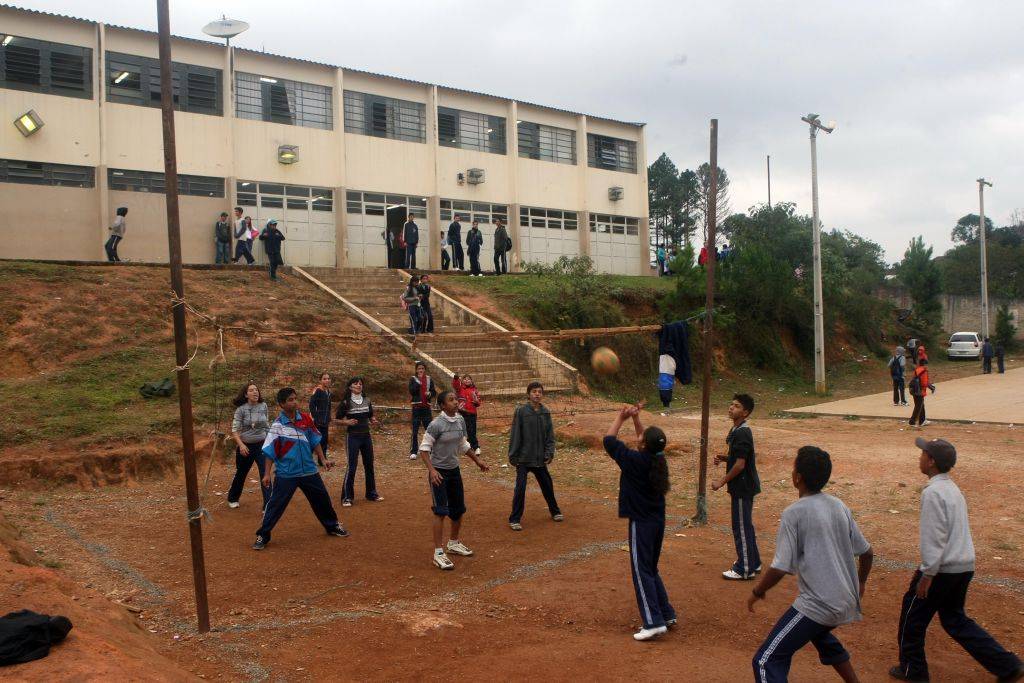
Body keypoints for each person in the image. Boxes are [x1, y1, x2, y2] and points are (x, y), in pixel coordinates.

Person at [890, 438, 1024, 683]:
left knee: (913, 618)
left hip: (941, 569)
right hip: (963, 565)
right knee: (955, 619)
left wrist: (927, 574)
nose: (920, 457)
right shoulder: (953, 489)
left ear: (931, 461)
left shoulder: (932, 492)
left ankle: (913, 671)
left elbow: (935, 537)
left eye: (923, 453)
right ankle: (1007, 665)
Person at [748, 446, 874, 683]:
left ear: (797, 478)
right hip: (846, 600)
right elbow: (867, 553)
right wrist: (862, 583)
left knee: (765, 660)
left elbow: (781, 567)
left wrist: (758, 591)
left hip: (820, 604)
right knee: (819, 633)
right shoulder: (839, 505)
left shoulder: (793, 513)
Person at [603, 404, 674, 641]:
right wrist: (636, 419)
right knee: (650, 568)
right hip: (657, 521)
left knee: (641, 570)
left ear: (643, 445)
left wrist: (621, 417)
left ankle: (653, 622)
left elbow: (609, 440)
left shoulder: (634, 461)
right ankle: (666, 613)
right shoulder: (659, 459)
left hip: (641, 523)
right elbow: (646, 440)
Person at [253, 387, 347, 550]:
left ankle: (332, 525)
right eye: (290, 400)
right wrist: (266, 474)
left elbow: (315, 440)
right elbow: (269, 452)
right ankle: (263, 534)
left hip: (309, 470)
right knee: (275, 505)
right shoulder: (277, 426)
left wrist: (323, 459)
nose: (294, 402)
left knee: (322, 499)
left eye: (295, 399)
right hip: (286, 473)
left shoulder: (306, 419)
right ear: (282, 404)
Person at [418, 389, 489, 570]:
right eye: (451, 400)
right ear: (442, 405)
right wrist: (432, 471)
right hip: (439, 473)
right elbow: (424, 449)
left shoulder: (460, 420)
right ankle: (438, 553)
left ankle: (453, 543)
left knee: (458, 510)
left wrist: (478, 461)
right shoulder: (436, 424)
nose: (456, 402)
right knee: (440, 511)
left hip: (454, 471)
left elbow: (462, 444)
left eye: (456, 399)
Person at [712, 394, 762, 580]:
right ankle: (753, 562)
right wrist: (725, 458)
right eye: (731, 404)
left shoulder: (742, 432)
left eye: (737, 406)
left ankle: (745, 569)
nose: (731, 408)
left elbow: (740, 465)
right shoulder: (737, 429)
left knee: (740, 526)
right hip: (743, 485)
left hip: (743, 487)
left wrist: (721, 481)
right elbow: (740, 458)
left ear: (746, 412)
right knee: (745, 525)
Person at [507, 381, 563, 531]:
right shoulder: (521, 411)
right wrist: (513, 455)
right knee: (520, 488)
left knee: (547, 485)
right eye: (534, 391)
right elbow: (515, 434)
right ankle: (514, 519)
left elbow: (550, 436)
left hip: (539, 459)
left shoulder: (546, 412)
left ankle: (555, 511)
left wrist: (549, 453)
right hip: (524, 458)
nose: (537, 394)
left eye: (539, 392)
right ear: (528, 394)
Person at [335, 376, 382, 507]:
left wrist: (373, 420)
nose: (359, 385)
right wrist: (347, 422)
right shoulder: (346, 402)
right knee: (352, 466)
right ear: (350, 387)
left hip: (366, 436)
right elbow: (336, 420)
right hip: (352, 437)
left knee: (369, 465)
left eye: (360, 384)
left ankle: (371, 493)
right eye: (356, 384)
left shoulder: (367, 400)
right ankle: (347, 497)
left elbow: (370, 415)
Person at [228, 382, 270, 509]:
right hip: (246, 446)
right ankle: (233, 498)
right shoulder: (241, 409)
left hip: (262, 445)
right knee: (241, 473)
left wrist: (270, 441)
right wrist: (241, 445)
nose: (255, 392)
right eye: (251, 390)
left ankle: (268, 505)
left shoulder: (263, 405)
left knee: (265, 473)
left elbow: (266, 424)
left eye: (256, 389)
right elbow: (235, 430)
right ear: (246, 395)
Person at [409, 361, 436, 460]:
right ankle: (414, 451)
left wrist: (430, 394)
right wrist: (419, 382)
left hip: (426, 408)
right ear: (416, 370)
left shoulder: (429, 379)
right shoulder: (413, 379)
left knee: (429, 430)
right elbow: (412, 391)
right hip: (416, 408)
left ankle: (431, 450)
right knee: (415, 430)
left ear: (425, 370)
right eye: (419, 369)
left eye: (422, 369)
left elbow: (434, 392)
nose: (421, 370)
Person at [308, 372, 333, 458]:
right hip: (317, 422)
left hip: (325, 422)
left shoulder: (328, 392)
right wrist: (316, 418)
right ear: (320, 380)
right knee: (314, 441)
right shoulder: (318, 391)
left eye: (328, 379)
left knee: (324, 441)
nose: (327, 380)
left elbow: (328, 406)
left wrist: (329, 417)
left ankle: (322, 460)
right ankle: (307, 460)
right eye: (324, 379)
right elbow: (311, 405)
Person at [908, 357, 934, 428]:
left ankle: (922, 420)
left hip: (914, 390)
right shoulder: (924, 371)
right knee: (918, 406)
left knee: (921, 405)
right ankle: (912, 422)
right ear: (925, 364)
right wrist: (930, 387)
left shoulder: (917, 369)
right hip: (920, 391)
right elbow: (925, 383)